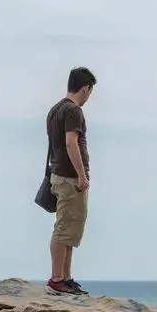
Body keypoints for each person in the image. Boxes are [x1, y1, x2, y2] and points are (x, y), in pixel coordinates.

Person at [45, 67, 96, 295]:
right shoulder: (74, 111)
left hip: (58, 175)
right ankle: (57, 279)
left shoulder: (55, 109)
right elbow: (70, 142)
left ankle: (65, 278)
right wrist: (82, 175)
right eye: (90, 92)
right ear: (85, 88)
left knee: (70, 229)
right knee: (65, 228)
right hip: (70, 179)